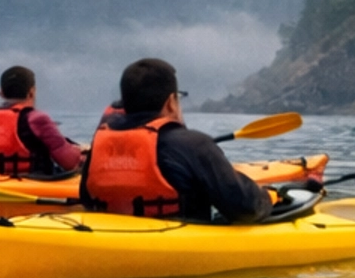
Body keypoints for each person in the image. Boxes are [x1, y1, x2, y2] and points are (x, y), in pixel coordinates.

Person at [81, 57, 272, 222]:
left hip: (112, 243)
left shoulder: (100, 143)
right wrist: (269, 197)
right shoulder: (195, 144)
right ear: (171, 102)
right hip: (180, 249)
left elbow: (86, 198)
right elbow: (246, 208)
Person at [0, 66, 85, 178]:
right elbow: (69, 163)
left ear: (1, 93)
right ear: (31, 92)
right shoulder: (37, 119)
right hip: (33, 179)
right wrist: (84, 158)